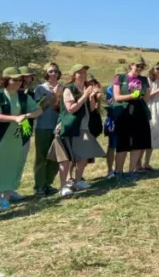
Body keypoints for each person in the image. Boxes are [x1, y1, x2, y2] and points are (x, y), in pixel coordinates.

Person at [0, 67, 44, 216]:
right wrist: (14, 118)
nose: (18, 82)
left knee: (12, 167)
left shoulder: (23, 97)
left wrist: (27, 115)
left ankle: (6, 200)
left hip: (16, 138)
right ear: (6, 80)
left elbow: (39, 110)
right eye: (15, 79)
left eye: (20, 79)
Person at [48, 65, 106, 197]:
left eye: (85, 72)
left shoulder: (84, 88)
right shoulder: (69, 89)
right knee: (65, 158)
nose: (83, 74)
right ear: (73, 74)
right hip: (69, 127)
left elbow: (91, 110)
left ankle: (78, 180)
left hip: (83, 127)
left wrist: (91, 97)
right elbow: (71, 109)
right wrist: (84, 95)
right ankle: (64, 186)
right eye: (79, 72)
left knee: (84, 155)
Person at [111, 57, 151, 179]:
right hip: (124, 112)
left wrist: (142, 95)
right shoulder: (121, 78)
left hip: (139, 112)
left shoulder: (144, 80)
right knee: (123, 143)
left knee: (138, 144)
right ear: (131, 65)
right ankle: (118, 171)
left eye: (142, 67)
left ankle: (131, 171)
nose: (139, 69)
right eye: (137, 66)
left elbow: (147, 98)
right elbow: (116, 97)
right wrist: (131, 95)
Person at [32, 63, 64, 197]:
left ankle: (48, 183)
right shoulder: (40, 88)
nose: (53, 74)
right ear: (46, 73)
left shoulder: (63, 87)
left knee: (56, 157)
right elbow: (38, 108)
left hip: (58, 127)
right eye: (50, 71)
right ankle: (38, 186)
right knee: (42, 157)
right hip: (43, 127)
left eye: (56, 71)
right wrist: (53, 96)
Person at [103, 67, 124, 178]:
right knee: (112, 146)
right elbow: (111, 101)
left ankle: (119, 169)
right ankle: (110, 170)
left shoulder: (127, 88)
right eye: (118, 76)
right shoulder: (110, 89)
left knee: (123, 146)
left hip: (125, 119)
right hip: (114, 120)